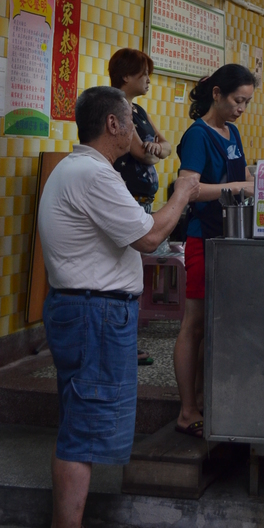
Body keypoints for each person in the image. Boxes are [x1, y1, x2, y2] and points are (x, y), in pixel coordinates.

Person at [39, 86, 199, 528]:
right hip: (94, 313)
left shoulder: (76, 169)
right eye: (132, 119)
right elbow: (148, 237)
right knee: (82, 431)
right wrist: (182, 192)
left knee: (80, 423)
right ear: (113, 124)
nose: (137, 129)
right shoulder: (95, 175)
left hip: (84, 309)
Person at [173, 64, 256, 437]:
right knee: (194, 325)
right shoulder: (197, 135)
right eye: (238, 100)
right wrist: (240, 186)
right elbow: (188, 188)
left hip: (229, 237)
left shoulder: (232, 131)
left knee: (214, 325)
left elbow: (243, 178)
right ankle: (187, 410)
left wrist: (259, 180)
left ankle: (206, 399)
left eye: (247, 102)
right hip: (202, 237)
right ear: (217, 93)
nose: (241, 108)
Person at [109, 47, 172, 366]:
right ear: (126, 76)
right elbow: (140, 153)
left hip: (142, 200)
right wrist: (155, 151)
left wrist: (157, 150)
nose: (148, 79)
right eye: (143, 73)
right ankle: (123, 343)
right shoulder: (116, 108)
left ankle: (126, 341)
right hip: (126, 198)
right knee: (124, 272)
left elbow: (167, 145)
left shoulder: (139, 111)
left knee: (132, 271)